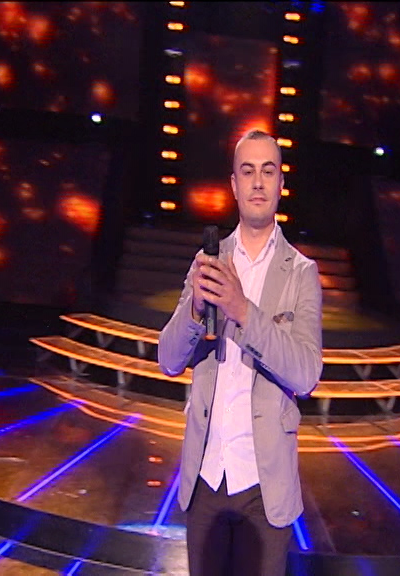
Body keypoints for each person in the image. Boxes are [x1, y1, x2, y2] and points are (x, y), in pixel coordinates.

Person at [158, 130, 323, 576]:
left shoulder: (301, 273)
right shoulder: (208, 262)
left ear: (281, 183)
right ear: (233, 184)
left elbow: (307, 374)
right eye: (247, 171)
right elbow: (168, 360)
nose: (258, 182)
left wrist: (243, 311)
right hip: (206, 479)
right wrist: (195, 309)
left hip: (263, 488)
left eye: (268, 171)